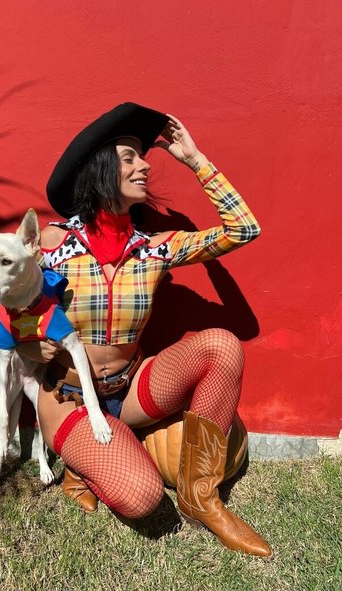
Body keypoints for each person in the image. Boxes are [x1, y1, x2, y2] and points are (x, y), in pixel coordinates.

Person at [18, 103, 271, 557]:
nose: (146, 166)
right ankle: (81, 467)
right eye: (129, 157)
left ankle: (200, 497)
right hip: (70, 397)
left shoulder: (153, 249)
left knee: (222, 345)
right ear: (99, 169)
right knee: (143, 497)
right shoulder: (52, 244)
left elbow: (243, 229)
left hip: (131, 388)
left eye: (142, 156)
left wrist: (196, 160)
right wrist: (28, 345)